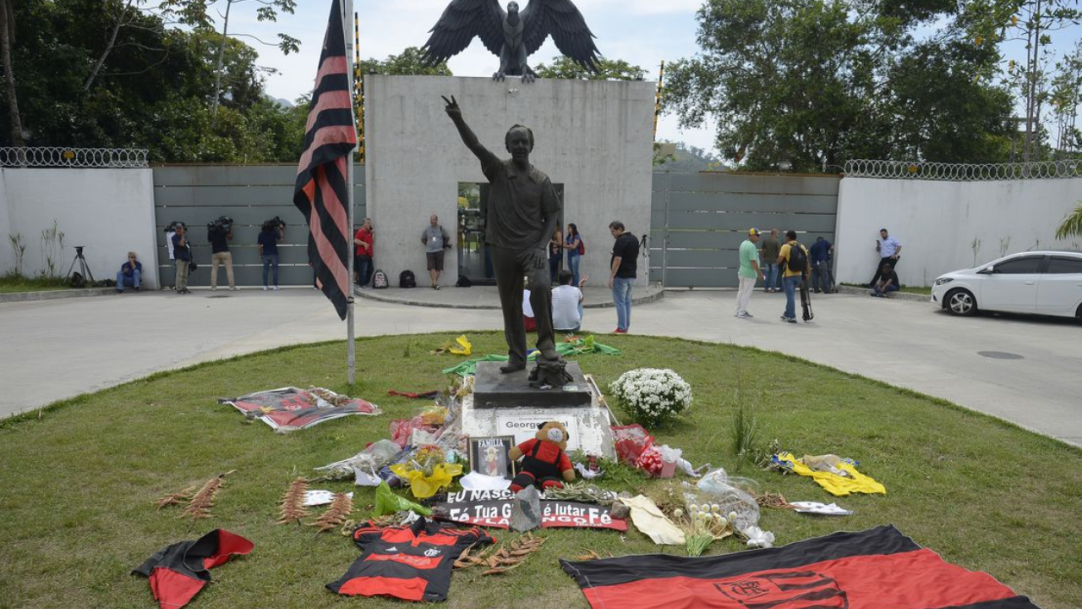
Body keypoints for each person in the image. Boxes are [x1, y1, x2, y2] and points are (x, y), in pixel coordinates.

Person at [444, 95, 561, 373]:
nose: (520, 146)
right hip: (502, 248)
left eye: (524, 141)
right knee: (510, 305)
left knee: (542, 287)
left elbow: (552, 215)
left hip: (532, 247)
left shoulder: (541, 180)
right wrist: (458, 119)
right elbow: (475, 146)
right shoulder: (497, 171)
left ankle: (546, 344)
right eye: (515, 142)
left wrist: (541, 246)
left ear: (531, 145)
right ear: (507, 146)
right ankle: (517, 357)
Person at [608, 220, 639, 334]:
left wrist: (611, 276)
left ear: (620, 229)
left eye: (613, 231)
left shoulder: (620, 240)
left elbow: (618, 259)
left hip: (621, 276)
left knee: (620, 302)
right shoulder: (634, 239)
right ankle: (625, 326)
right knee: (627, 302)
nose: (612, 234)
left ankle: (621, 328)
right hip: (632, 275)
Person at [777, 230, 810, 323]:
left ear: (788, 237)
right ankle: (787, 313)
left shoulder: (785, 246)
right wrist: (808, 273)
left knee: (790, 296)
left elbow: (779, 260)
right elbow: (806, 261)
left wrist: (777, 262)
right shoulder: (802, 246)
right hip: (799, 275)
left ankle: (792, 316)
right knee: (790, 295)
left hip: (788, 275)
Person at [736, 228, 765, 318]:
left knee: (741, 292)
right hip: (750, 274)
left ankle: (738, 310)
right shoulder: (751, 246)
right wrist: (759, 273)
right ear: (751, 235)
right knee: (746, 293)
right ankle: (742, 312)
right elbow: (753, 261)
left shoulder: (743, 243)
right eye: (757, 235)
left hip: (742, 272)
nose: (759, 238)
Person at [421, 214, 451, 290]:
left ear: (436, 220)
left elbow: (447, 237)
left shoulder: (441, 228)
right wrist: (428, 245)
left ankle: (433, 283)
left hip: (439, 250)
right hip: (429, 251)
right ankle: (435, 283)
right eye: (431, 219)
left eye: (433, 220)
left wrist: (443, 245)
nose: (431, 221)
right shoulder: (427, 229)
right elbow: (423, 238)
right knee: (431, 267)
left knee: (438, 268)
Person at [208, 221, 236, 291]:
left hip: (215, 252)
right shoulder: (223, 228)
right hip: (225, 251)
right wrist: (229, 228)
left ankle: (213, 287)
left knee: (214, 270)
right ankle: (231, 287)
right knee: (229, 269)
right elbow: (230, 237)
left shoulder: (210, 230)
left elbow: (209, 240)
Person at [258, 221, 284, 291]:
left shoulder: (261, 234)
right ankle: (275, 286)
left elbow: (260, 246)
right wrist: (281, 229)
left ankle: (265, 286)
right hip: (274, 254)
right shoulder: (273, 233)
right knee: (275, 270)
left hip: (265, 254)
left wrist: (261, 254)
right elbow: (281, 239)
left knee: (265, 270)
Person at [354, 217, 374, 288]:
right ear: (364, 224)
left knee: (371, 269)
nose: (369, 224)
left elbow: (372, 241)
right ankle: (361, 284)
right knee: (363, 270)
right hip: (362, 254)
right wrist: (364, 243)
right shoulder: (361, 231)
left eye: (370, 223)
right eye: (368, 223)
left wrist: (372, 233)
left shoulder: (368, 233)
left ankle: (365, 283)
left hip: (368, 254)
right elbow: (356, 240)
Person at [760, 228, 781, 293]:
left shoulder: (765, 240)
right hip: (774, 260)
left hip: (766, 260)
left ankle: (765, 288)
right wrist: (778, 259)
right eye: (777, 233)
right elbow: (779, 251)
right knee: (774, 275)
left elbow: (762, 249)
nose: (778, 235)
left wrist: (763, 257)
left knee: (766, 275)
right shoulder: (777, 241)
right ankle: (772, 289)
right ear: (774, 233)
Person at [172, 224, 191, 294]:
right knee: (180, 274)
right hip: (180, 257)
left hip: (186, 257)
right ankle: (179, 288)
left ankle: (184, 287)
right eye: (178, 228)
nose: (179, 230)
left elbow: (186, 247)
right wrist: (183, 236)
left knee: (185, 274)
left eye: (180, 228)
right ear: (175, 229)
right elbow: (182, 244)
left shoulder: (183, 237)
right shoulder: (174, 237)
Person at [563, 223, 583, 288]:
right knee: (570, 272)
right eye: (567, 228)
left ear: (573, 228)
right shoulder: (568, 237)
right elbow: (564, 245)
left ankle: (576, 285)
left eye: (569, 228)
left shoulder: (577, 236)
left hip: (575, 255)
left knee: (575, 272)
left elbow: (574, 247)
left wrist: (569, 246)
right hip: (569, 255)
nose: (568, 229)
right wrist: (569, 246)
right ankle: (571, 285)